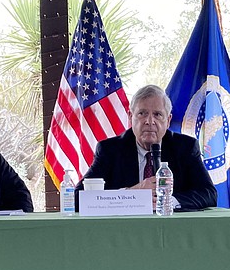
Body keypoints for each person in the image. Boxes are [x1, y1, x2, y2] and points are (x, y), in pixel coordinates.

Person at [76, 85, 217, 210]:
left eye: (157, 114)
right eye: (142, 113)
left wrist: (167, 202)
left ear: (168, 121)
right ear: (131, 117)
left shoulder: (185, 147)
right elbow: (78, 197)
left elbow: (209, 194)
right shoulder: (110, 150)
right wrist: (133, 193)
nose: (150, 121)